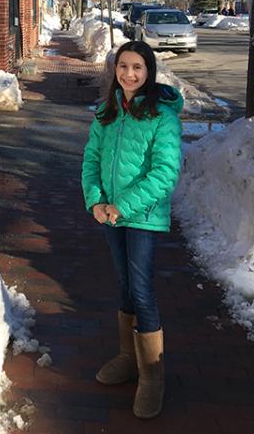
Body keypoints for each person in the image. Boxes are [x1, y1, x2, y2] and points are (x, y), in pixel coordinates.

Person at [81, 40, 183, 419]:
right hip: (109, 214)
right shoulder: (107, 111)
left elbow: (164, 174)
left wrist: (121, 205)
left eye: (137, 67)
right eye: (123, 66)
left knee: (141, 289)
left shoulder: (163, 117)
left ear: (149, 71)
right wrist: (95, 200)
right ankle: (128, 357)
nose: (129, 74)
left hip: (141, 216)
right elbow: (91, 158)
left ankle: (152, 376)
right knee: (124, 284)